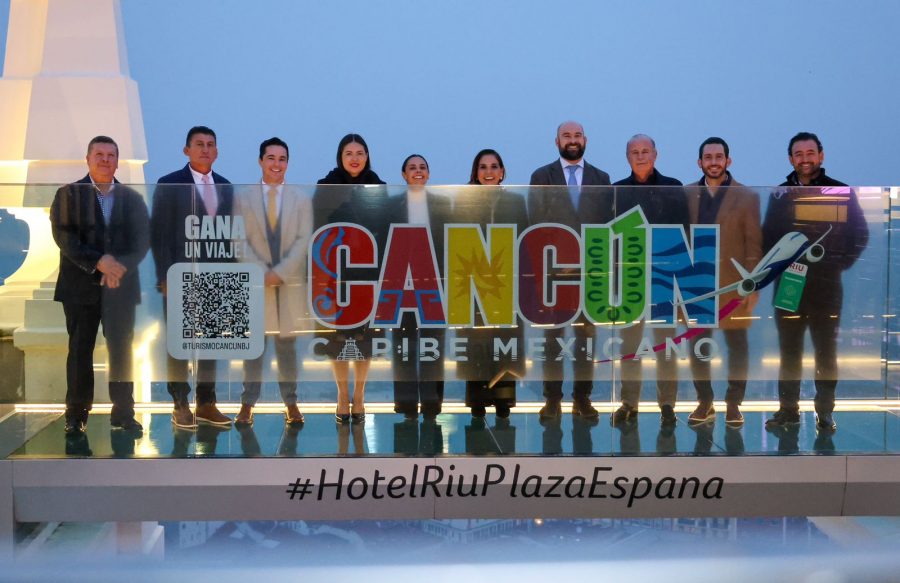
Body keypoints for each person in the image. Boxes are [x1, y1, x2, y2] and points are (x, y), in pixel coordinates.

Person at [762, 132, 868, 432]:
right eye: (798, 154)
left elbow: (859, 234)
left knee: (826, 352)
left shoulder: (840, 192)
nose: (805, 159)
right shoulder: (780, 194)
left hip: (826, 286)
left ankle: (825, 412)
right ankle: (788, 411)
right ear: (790, 159)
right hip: (789, 284)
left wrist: (837, 265)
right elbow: (768, 237)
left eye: (810, 153)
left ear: (821, 155)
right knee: (789, 352)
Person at [50, 135, 149, 435]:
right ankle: (76, 414)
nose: (106, 160)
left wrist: (117, 268)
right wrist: (98, 262)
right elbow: (64, 237)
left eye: (111, 155)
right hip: (80, 287)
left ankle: (123, 413)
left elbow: (141, 240)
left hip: (120, 287)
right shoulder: (68, 194)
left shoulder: (132, 198)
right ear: (88, 159)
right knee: (80, 350)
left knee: (121, 351)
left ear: (117, 161)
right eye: (100, 155)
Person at [528, 120, 613, 422]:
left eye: (577, 135)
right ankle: (552, 399)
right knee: (552, 338)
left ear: (585, 140)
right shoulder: (541, 176)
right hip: (554, 271)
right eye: (566, 135)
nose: (572, 140)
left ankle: (582, 397)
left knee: (586, 338)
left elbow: (607, 225)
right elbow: (535, 223)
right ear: (557, 141)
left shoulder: (602, 178)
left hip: (591, 272)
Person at [151, 126, 234, 428]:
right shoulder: (170, 184)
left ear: (217, 151)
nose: (205, 149)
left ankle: (206, 403)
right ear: (186, 150)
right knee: (179, 343)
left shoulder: (226, 186)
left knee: (211, 343)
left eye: (210, 144)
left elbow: (229, 236)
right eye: (199, 144)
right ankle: (180, 403)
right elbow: (158, 234)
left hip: (214, 277)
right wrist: (164, 276)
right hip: (178, 277)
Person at [612, 134, 688, 427]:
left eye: (645, 151)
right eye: (635, 152)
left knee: (665, 347)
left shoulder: (673, 187)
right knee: (629, 348)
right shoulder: (616, 191)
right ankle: (629, 403)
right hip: (629, 280)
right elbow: (611, 237)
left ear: (655, 154)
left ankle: (667, 405)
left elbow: (685, 233)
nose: (641, 156)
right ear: (627, 157)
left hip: (665, 280)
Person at [233, 137, 311, 426]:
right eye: (271, 158)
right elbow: (238, 240)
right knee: (253, 348)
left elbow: (303, 240)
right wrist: (261, 272)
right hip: (256, 284)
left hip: (288, 283)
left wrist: (280, 272)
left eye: (282, 159)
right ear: (260, 161)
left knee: (287, 348)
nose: (277, 164)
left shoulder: (300, 198)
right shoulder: (243, 198)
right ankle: (247, 404)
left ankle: (291, 403)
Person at [685, 137, 762, 427]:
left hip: (734, 284)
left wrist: (753, 284)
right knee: (697, 346)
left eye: (719, 157)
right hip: (696, 283)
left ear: (728, 161)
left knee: (737, 346)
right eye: (708, 157)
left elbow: (753, 244)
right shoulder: (686, 194)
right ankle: (704, 401)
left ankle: (733, 404)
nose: (714, 162)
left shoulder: (747, 196)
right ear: (699, 162)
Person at [313, 133, 389, 423]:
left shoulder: (378, 186)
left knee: (365, 339)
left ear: (367, 156)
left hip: (368, 273)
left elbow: (384, 228)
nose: (355, 158)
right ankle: (342, 395)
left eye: (360, 153)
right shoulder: (326, 186)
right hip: (334, 271)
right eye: (349, 153)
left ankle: (359, 395)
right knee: (338, 338)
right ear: (340, 157)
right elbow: (318, 226)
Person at [454, 149, 528, 418]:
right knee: (476, 342)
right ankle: (477, 399)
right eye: (483, 167)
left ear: (502, 172)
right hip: (472, 280)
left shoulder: (516, 201)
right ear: (475, 172)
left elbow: (525, 239)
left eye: (494, 166)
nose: (488, 172)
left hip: (506, 280)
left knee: (506, 341)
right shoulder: (464, 200)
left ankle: (503, 400)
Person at [390, 154, 452, 419]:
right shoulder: (392, 205)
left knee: (433, 345)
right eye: (412, 167)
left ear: (428, 173)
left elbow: (449, 242)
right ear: (403, 174)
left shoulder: (442, 204)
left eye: (422, 167)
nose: (418, 171)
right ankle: (406, 404)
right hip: (400, 284)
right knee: (403, 345)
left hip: (433, 284)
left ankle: (431, 403)